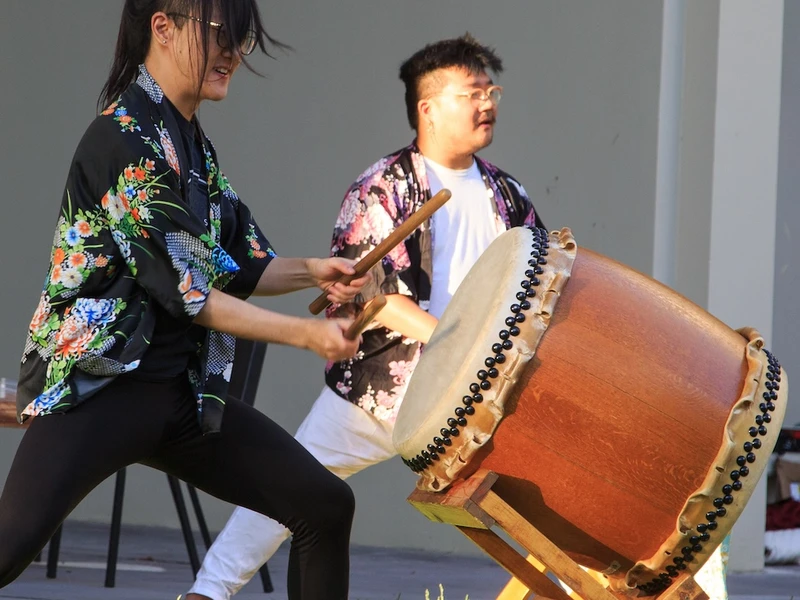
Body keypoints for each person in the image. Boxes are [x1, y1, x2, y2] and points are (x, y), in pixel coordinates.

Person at [0, 2, 371, 600]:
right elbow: (190, 294)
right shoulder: (120, 138)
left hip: (183, 399)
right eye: (221, 34)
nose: (231, 54)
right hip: (99, 392)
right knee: (7, 548)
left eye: (240, 42)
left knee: (324, 506)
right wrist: (306, 335)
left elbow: (238, 262)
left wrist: (313, 271)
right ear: (163, 28)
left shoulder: (191, 144)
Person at [185, 33, 544, 600]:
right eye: (473, 91)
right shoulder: (384, 186)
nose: (488, 103)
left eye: (491, 90)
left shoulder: (508, 194)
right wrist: (463, 343)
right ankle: (207, 594)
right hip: (382, 391)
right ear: (428, 107)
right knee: (286, 494)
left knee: (543, 501)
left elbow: (536, 281)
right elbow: (379, 299)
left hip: (482, 390)